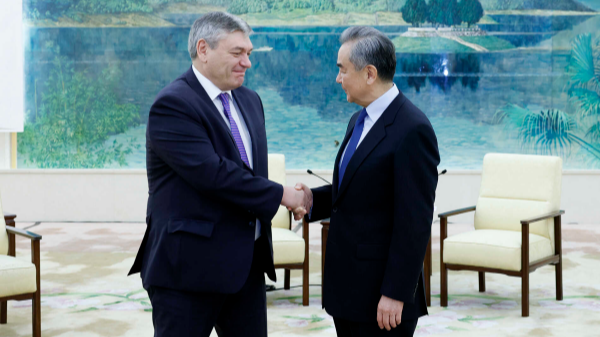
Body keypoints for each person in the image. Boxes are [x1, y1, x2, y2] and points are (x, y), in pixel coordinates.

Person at [128, 12, 310, 337]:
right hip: (187, 271)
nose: (247, 63)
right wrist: (284, 195)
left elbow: (248, 174)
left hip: (246, 267)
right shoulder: (173, 104)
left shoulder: (251, 101)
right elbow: (215, 175)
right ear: (203, 49)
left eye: (249, 54)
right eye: (237, 53)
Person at [297, 26, 440, 337]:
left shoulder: (412, 129)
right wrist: (312, 200)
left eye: (342, 70)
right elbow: (357, 188)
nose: (338, 78)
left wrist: (396, 292)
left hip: (382, 299)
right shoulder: (359, 119)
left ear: (370, 73)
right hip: (348, 291)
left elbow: (414, 222)